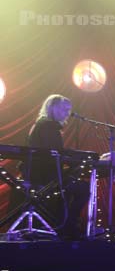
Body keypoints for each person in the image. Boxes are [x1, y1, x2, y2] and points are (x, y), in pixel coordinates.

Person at [24, 94, 90, 239]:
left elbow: (55, 152)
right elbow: (55, 152)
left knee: (72, 188)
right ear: (52, 108)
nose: (67, 113)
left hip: (41, 172)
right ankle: (67, 225)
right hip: (45, 175)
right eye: (63, 109)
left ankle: (63, 224)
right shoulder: (49, 126)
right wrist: (80, 157)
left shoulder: (42, 124)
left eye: (69, 110)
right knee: (84, 189)